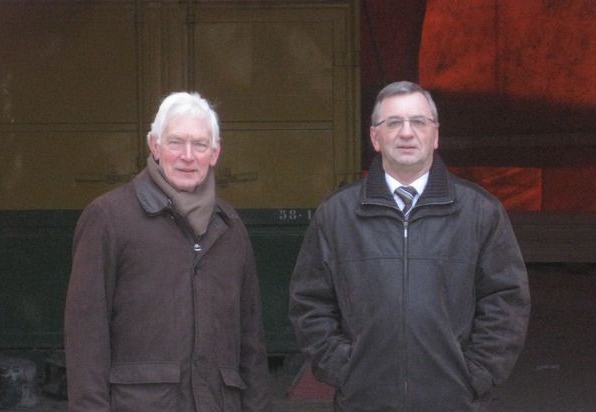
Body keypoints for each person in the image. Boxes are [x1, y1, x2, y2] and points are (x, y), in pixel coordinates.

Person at [289, 81, 530, 412]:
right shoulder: (337, 215)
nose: (406, 133)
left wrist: (475, 374)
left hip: (455, 401)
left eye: (418, 122)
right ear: (375, 137)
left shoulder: (480, 212)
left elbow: (506, 302)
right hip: (364, 400)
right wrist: (345, 368)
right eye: (393, 123)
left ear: (436, 135)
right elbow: (309, 302)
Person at [65, 91, 272, 411]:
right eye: (176, 142)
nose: (187, 155)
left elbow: (251, 344)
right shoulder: (109, 219)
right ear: (155, 146)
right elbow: (86, 338)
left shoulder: (231, 228)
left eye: (200, 144)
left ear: (214, 153)